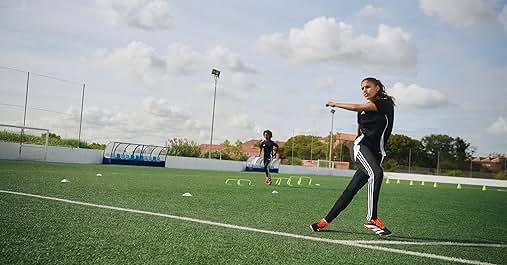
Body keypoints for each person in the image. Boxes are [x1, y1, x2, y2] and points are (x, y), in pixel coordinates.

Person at [310, 77, 395, 237]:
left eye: (368, 87)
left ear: (377, 88)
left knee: (350, 190)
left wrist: (336, 103)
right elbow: (359, 124)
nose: (364, 90)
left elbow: (358, 107)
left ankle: (324, 222)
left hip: (376, 154)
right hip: (361, 148)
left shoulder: (384, 103)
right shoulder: (363, 110)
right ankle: (372, 218)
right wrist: (336, 104)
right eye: (362, 88)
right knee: (376, 174)